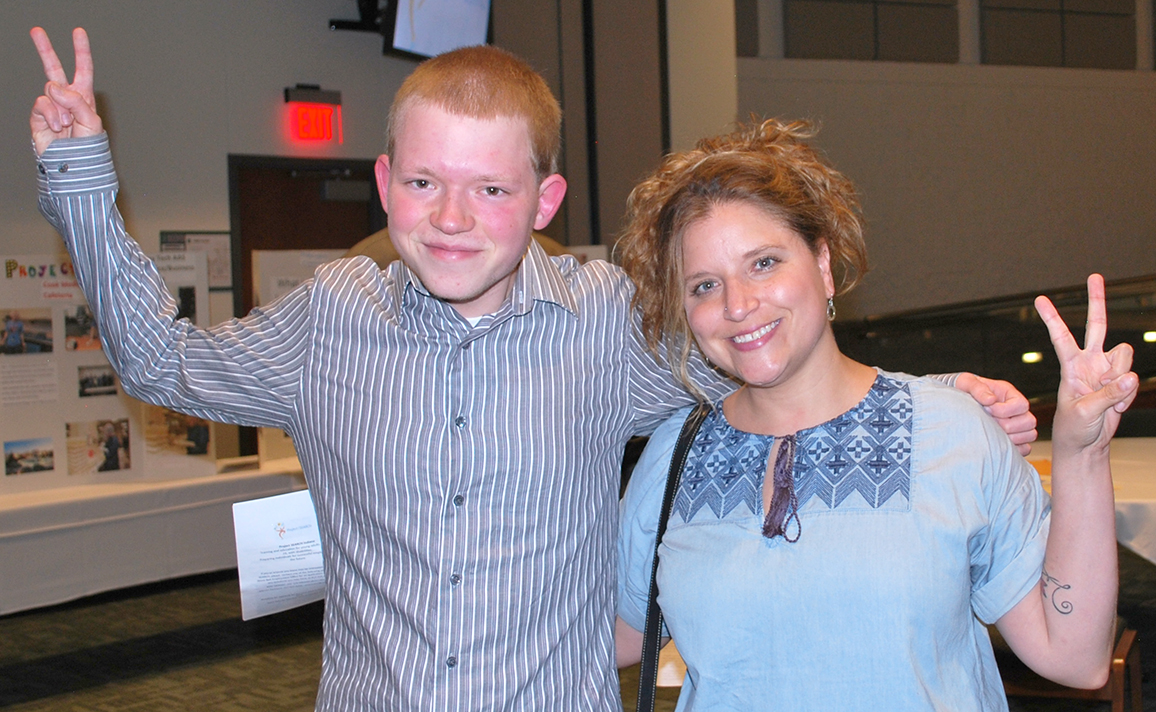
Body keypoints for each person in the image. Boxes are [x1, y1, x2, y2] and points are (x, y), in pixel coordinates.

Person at [30, 28, 1037, 710]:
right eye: (423, 182)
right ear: (384, 184)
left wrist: (936, 400)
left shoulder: (606, 323)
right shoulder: (325, 322)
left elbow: (763, 355)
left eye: (490, 189)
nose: (453, 218)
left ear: (545, 199)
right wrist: (81, 176)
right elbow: (161, 361)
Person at [614, 119, 1138, 711]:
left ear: (823, 264)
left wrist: (1083, 452)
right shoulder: (673, 457)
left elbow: (1076, 657)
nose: (737, 305)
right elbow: (617, 633)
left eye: (764, 263)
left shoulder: (955, 431)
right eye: (704, 285)